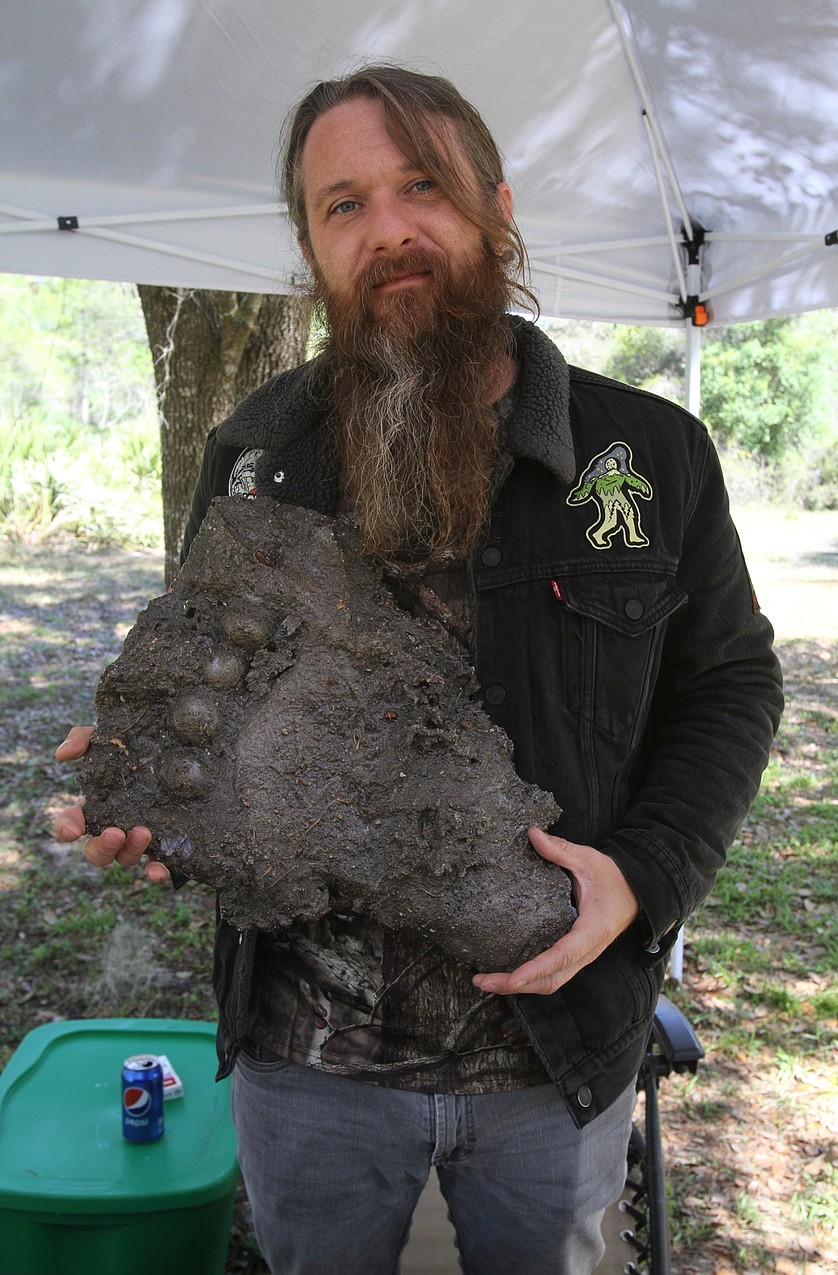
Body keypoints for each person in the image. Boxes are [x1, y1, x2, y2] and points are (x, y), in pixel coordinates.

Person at [55, 64, 783, 1275]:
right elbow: (212, 684)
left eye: (421, 188)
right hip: (307, 1065)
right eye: (343, 205)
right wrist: (154, 791)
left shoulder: (646, 453)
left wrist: (644, 876)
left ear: (495, 208)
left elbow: (733, 685)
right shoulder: (253, 453)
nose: (389, 229)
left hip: (557, 1053)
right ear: (310, 244)